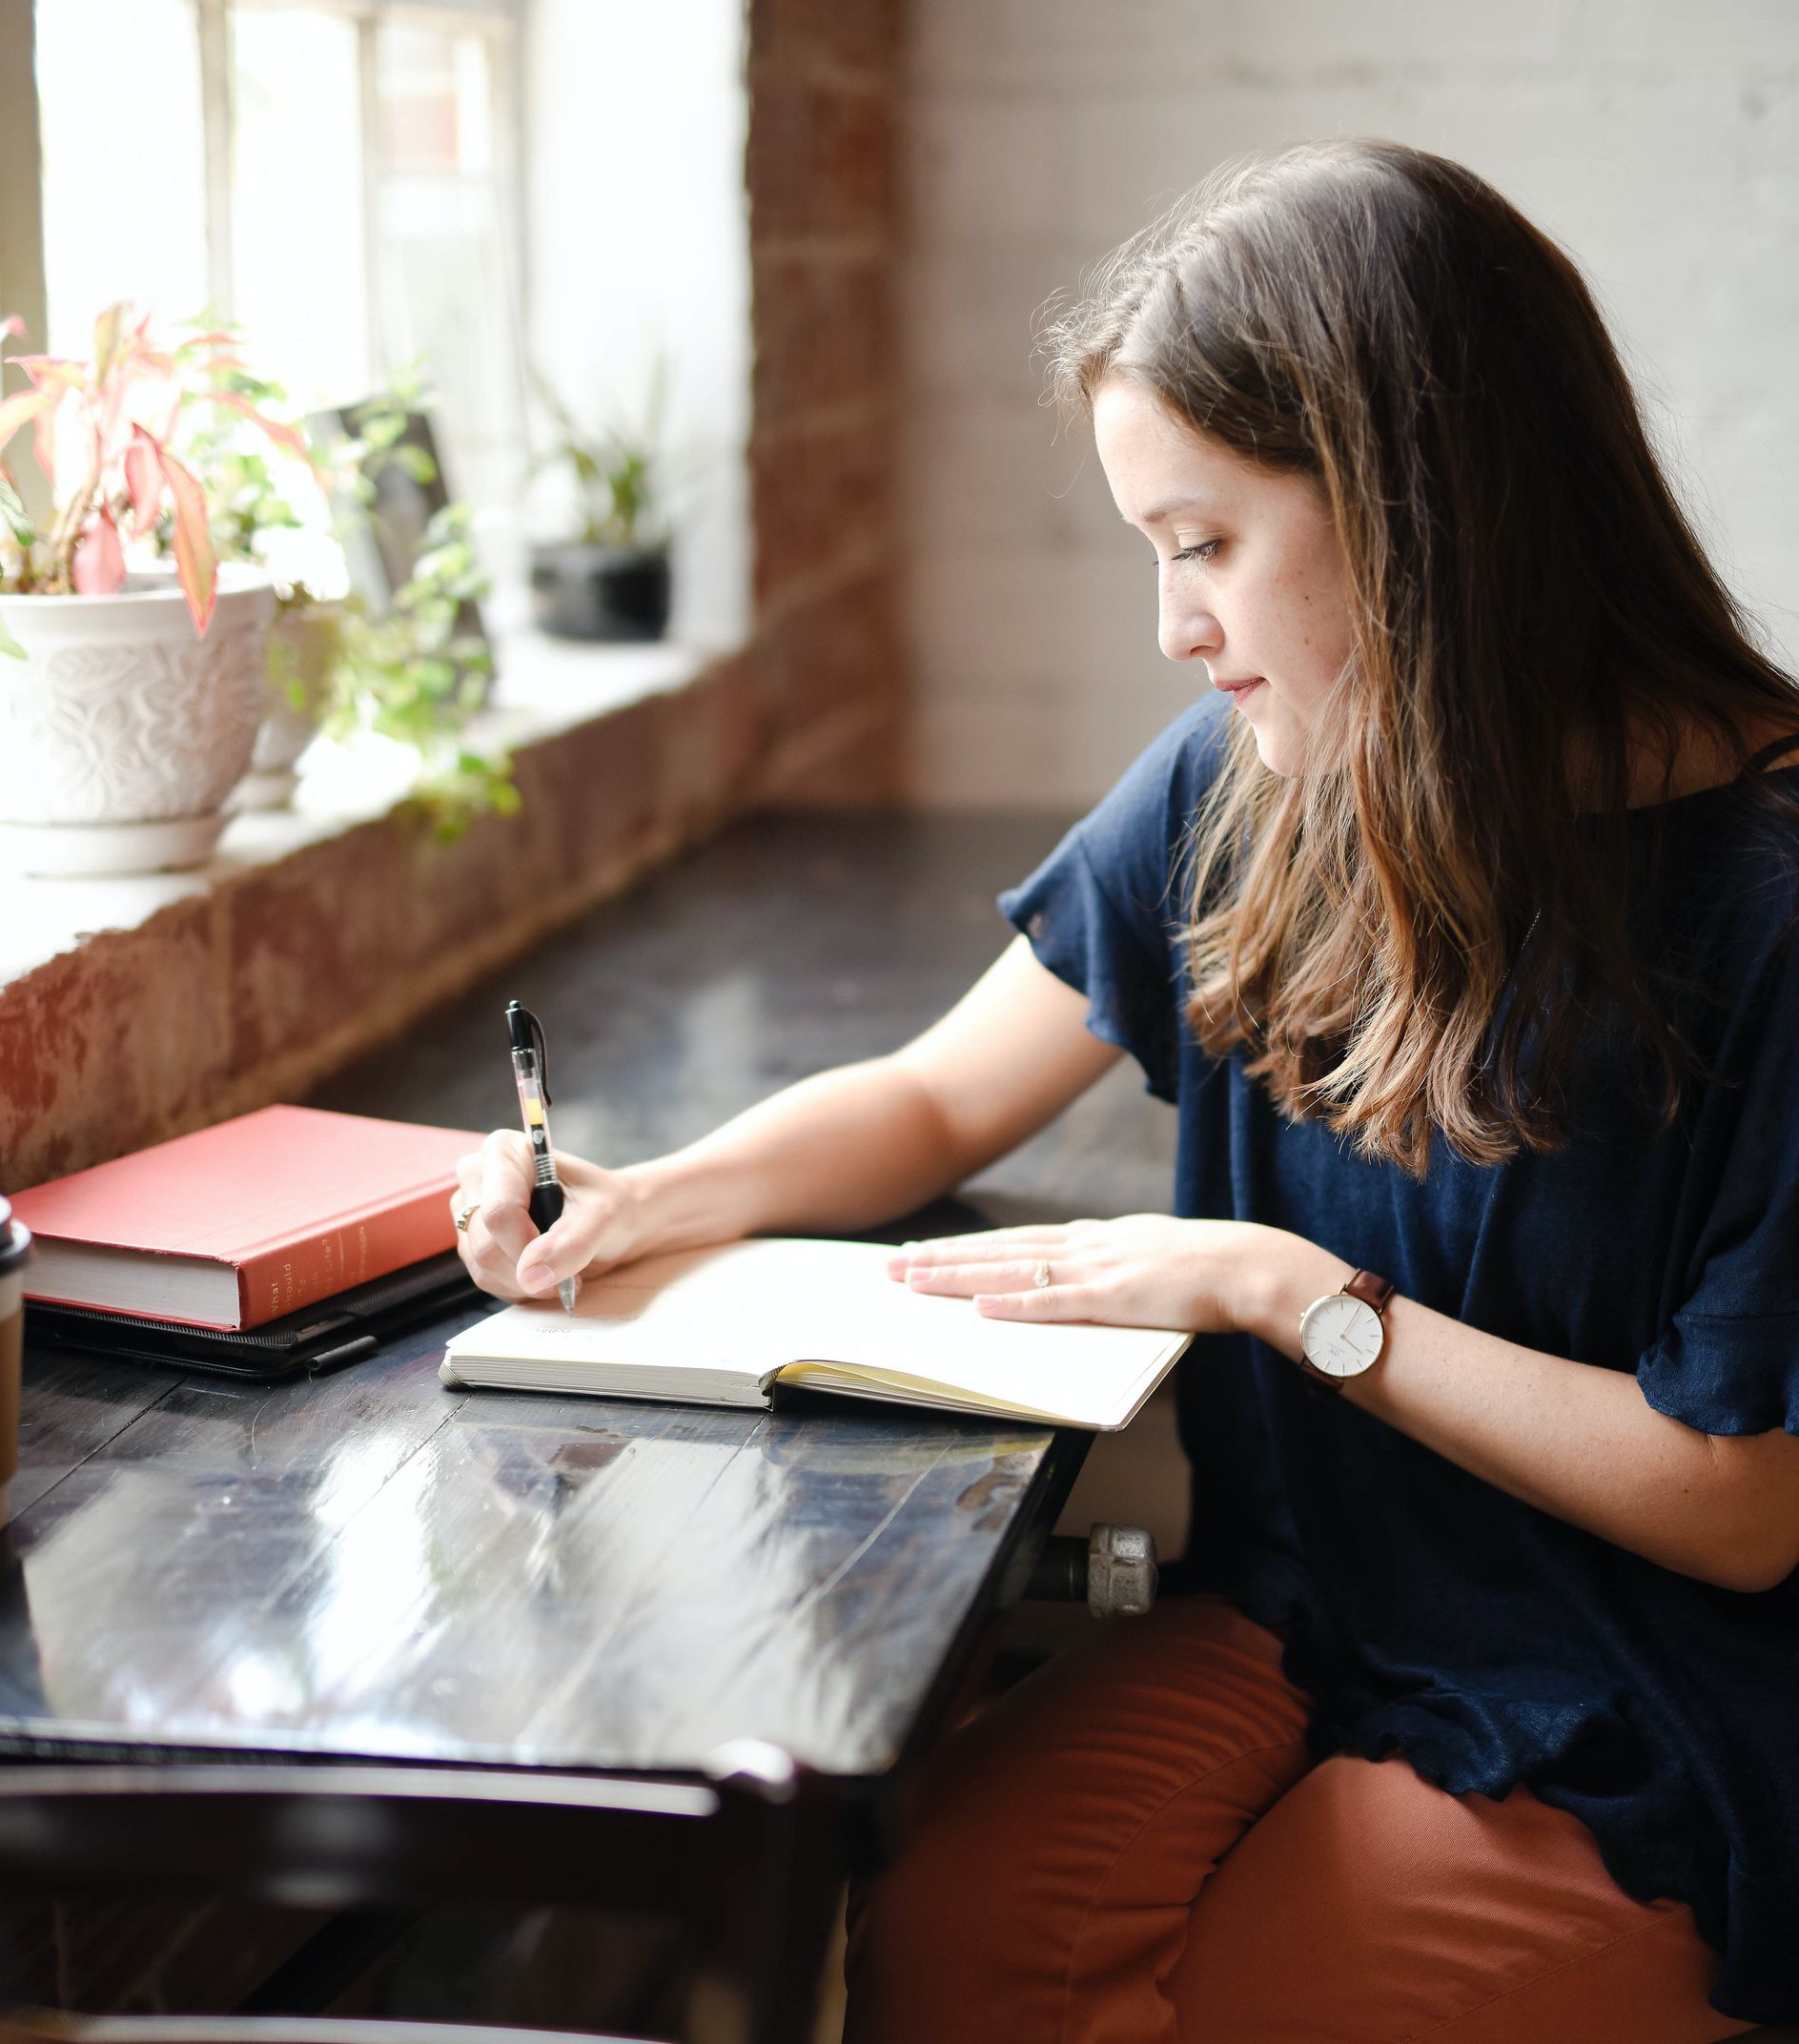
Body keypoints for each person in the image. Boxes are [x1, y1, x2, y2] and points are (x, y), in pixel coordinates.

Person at [454, 140, 1799, 2040]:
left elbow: (1742, 1504)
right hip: (1307, 1604)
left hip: (1664, 1685)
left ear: (1415, 506)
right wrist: (656, 1194)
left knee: (1273, 1997)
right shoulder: (1244, 782)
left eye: (1203, 543)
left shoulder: (1767, 907)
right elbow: (935, 1096)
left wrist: (1284, 1291)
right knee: (948, 1931)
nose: (1173, 628)